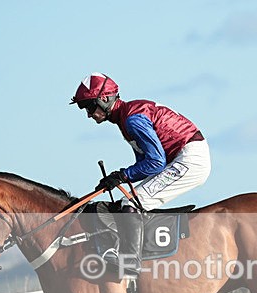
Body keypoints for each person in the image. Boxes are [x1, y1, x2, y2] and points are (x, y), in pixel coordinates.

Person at [71, 72, 211, 278]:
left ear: (105, 99)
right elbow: (145, 163)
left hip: (189, 159)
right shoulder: (126, 118)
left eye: (90, 107)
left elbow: (155, 162)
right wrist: (118, 178)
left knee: (131, 204)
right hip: (180, 156)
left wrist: (122, 175)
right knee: (127, 199)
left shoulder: (132, 120)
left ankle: (130, 262)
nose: (89, 114)